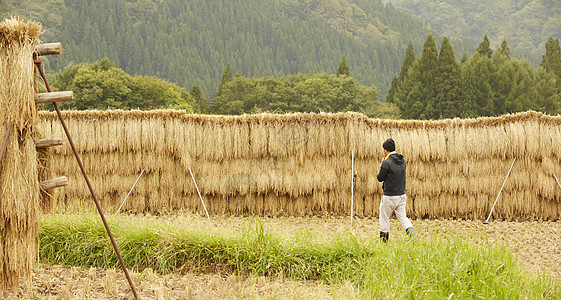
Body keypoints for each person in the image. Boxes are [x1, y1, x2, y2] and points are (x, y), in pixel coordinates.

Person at [376, 138, 414, 242]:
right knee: (403, 217)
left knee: (384, 218)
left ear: (386, 150)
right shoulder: (402, 161)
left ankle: (384, 244)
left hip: (389, 196)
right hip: (401, 195)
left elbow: (380, 178)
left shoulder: (386, 163)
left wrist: (382, 165)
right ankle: (413, 238)